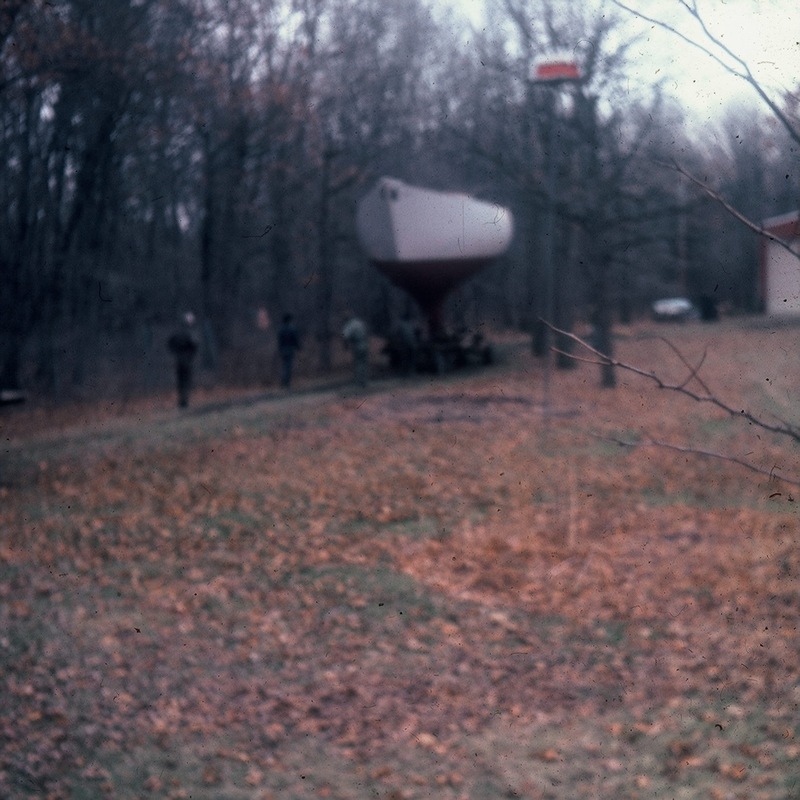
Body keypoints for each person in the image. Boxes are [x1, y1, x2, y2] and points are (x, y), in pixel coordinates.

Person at [167, 311, 200, 408]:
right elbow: (195, 345)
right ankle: (184, 401)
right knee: (186, 381)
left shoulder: (177, 333)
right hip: (186, 360)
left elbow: (170, 343)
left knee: (180, 381)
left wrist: (175, 353)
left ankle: (182, 401)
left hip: (179, 359)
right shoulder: (191, 333)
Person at [342, 314, 369, 387]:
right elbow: (366, 332)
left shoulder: (350, 325)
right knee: (364, 363)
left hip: (357, 345)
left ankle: (359, 382)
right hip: (365, 344)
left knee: (358, 364)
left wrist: (345, 347)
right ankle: (364, 381)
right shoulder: (359, 322)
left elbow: (345, 336)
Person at [277, 313, 301, 388]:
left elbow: (279, 341)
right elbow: (295, 339)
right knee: (289, 366)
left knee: (284, 366)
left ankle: (283, 381)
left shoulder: (280, 329)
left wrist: (280, 349)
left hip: (283, 349)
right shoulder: (292, 329)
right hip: (290, 349)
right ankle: (287, 382)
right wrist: (298, 347)